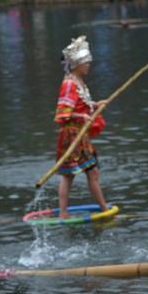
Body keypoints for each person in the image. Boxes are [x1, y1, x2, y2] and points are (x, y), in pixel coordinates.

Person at [54, 36, 108, 219]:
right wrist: (81, 116)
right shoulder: (69, 84)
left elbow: (80, 105)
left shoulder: (79, 83)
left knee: (92, 172)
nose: (88, 65)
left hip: (81, 136)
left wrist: (95, 105)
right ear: (77, 64)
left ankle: (103, 208)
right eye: (86, 62)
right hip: (72, 136)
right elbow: (61, 113)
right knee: (69, 175)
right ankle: (64, 213)